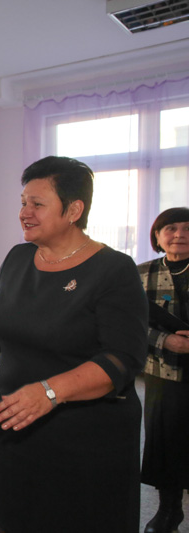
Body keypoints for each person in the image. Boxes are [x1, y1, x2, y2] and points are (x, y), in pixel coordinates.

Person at [0, 156, 148, 532]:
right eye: (23, 202)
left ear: (74, 210)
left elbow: (122, 359)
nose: (24, 213)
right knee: (17, 516)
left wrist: (50, 391)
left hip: (84, 434)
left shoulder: (114, 270)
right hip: (15, 421)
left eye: (37, 204)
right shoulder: (18, 258)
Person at [139, 207, 189, 533]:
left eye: (187, 228)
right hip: (162, 372)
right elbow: (126, 323)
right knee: (164, 443)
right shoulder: (139, 274)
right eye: (171, 228)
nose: (180, 234)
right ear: (157, 236)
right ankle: (169, 510)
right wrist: (165, 340)